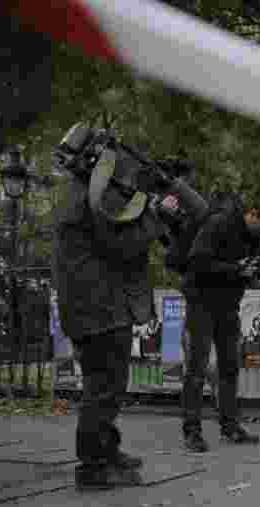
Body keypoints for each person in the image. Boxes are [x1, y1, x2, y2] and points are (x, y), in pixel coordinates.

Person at [54, 144, 174, 489]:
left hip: (91, 309)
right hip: (99, 311)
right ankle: (92, 468)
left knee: (105, 387)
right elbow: (122, 246)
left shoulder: (78, 195)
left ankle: (106, 451)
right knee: (103, 390)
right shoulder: (90, 201)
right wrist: (154, 217)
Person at [179, 191, 260, 452]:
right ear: (252, 214)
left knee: (230, 366)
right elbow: (197, 262)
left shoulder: (253, 236)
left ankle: (230, 426)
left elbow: (244, 268)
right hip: (201, 302)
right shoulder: (219, 224)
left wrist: (252, 274)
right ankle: (192, 431)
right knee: (197, 367)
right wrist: (235, 269)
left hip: (228, 305)